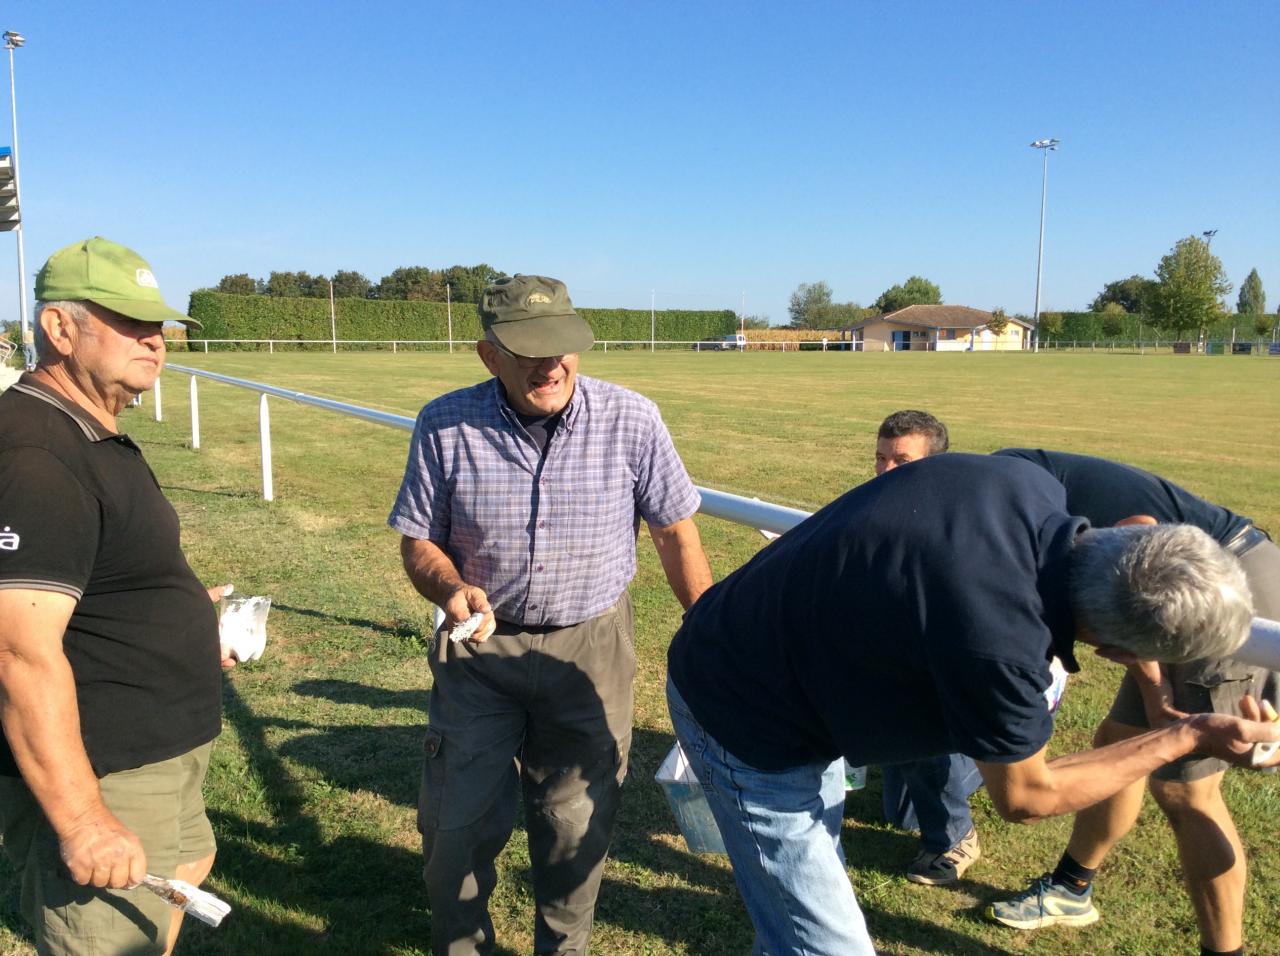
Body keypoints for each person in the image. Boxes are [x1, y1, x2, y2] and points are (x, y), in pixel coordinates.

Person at [666, 451, 1277, 956]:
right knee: (828, 946)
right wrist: (1188, 733)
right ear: (1114, 649)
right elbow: (1027, 797)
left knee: (799, 906)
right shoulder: (1000, 646)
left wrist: (1164, 705)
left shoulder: (1022, 481)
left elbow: (1138, 524)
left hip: (773, 668)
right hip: (743, 719)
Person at [389, 274, 712, 955]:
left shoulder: (633, 418)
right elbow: (419, 540)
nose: (551, 363)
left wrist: (709, 629)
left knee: (575, 832)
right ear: (489, 355)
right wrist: (449, 588)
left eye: (562, 345)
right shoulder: (445, 423)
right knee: (455, 831)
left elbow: (675, 532)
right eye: (529, 349)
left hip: (590, 649)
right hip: (480, 653)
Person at [0, 237, 229, 955]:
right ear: (60, 329)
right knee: (106, 940)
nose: (155, 341)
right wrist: (81, 820)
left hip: (160, 748)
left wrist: (189, 621)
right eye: (129, 323)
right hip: (108, 768)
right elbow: (17, 653)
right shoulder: (36, 455)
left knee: (186, 870)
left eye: (158, 326)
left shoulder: (88, 429)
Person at [986, 449, 1280, 956]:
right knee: (1120, 743)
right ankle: (1072, 888)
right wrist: (1154, 697)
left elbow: (1137, 551)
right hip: (1181, 579)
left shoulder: (1012, 501)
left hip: (1216, 589)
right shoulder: (1002, 481)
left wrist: (1157, 692)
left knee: (1187, 792)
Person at [869, 411, 984, 885]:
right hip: (905, 644)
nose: (886, 471)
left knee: (915, 719)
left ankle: (954, 839)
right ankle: (974, 762)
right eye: (880, 458)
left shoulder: (961, 518)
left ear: (936, 464)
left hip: (962, 656)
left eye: (902, 460)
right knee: (899, 813)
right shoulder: (875, 502)